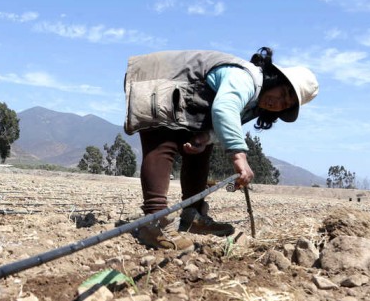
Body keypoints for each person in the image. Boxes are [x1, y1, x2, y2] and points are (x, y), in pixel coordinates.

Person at [123, 47, 319, 250]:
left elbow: (221, 123)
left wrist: (205, 138)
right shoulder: (246, 78)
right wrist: (239, 155)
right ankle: (154, 223)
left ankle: (192, 215)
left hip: (182, 95)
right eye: (283, 93)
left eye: (285, 104)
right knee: (164, 142)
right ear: (275, 78)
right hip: (159, 79)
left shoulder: (254, 105)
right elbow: (225, 108)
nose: (277, 103)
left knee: (201, 151)